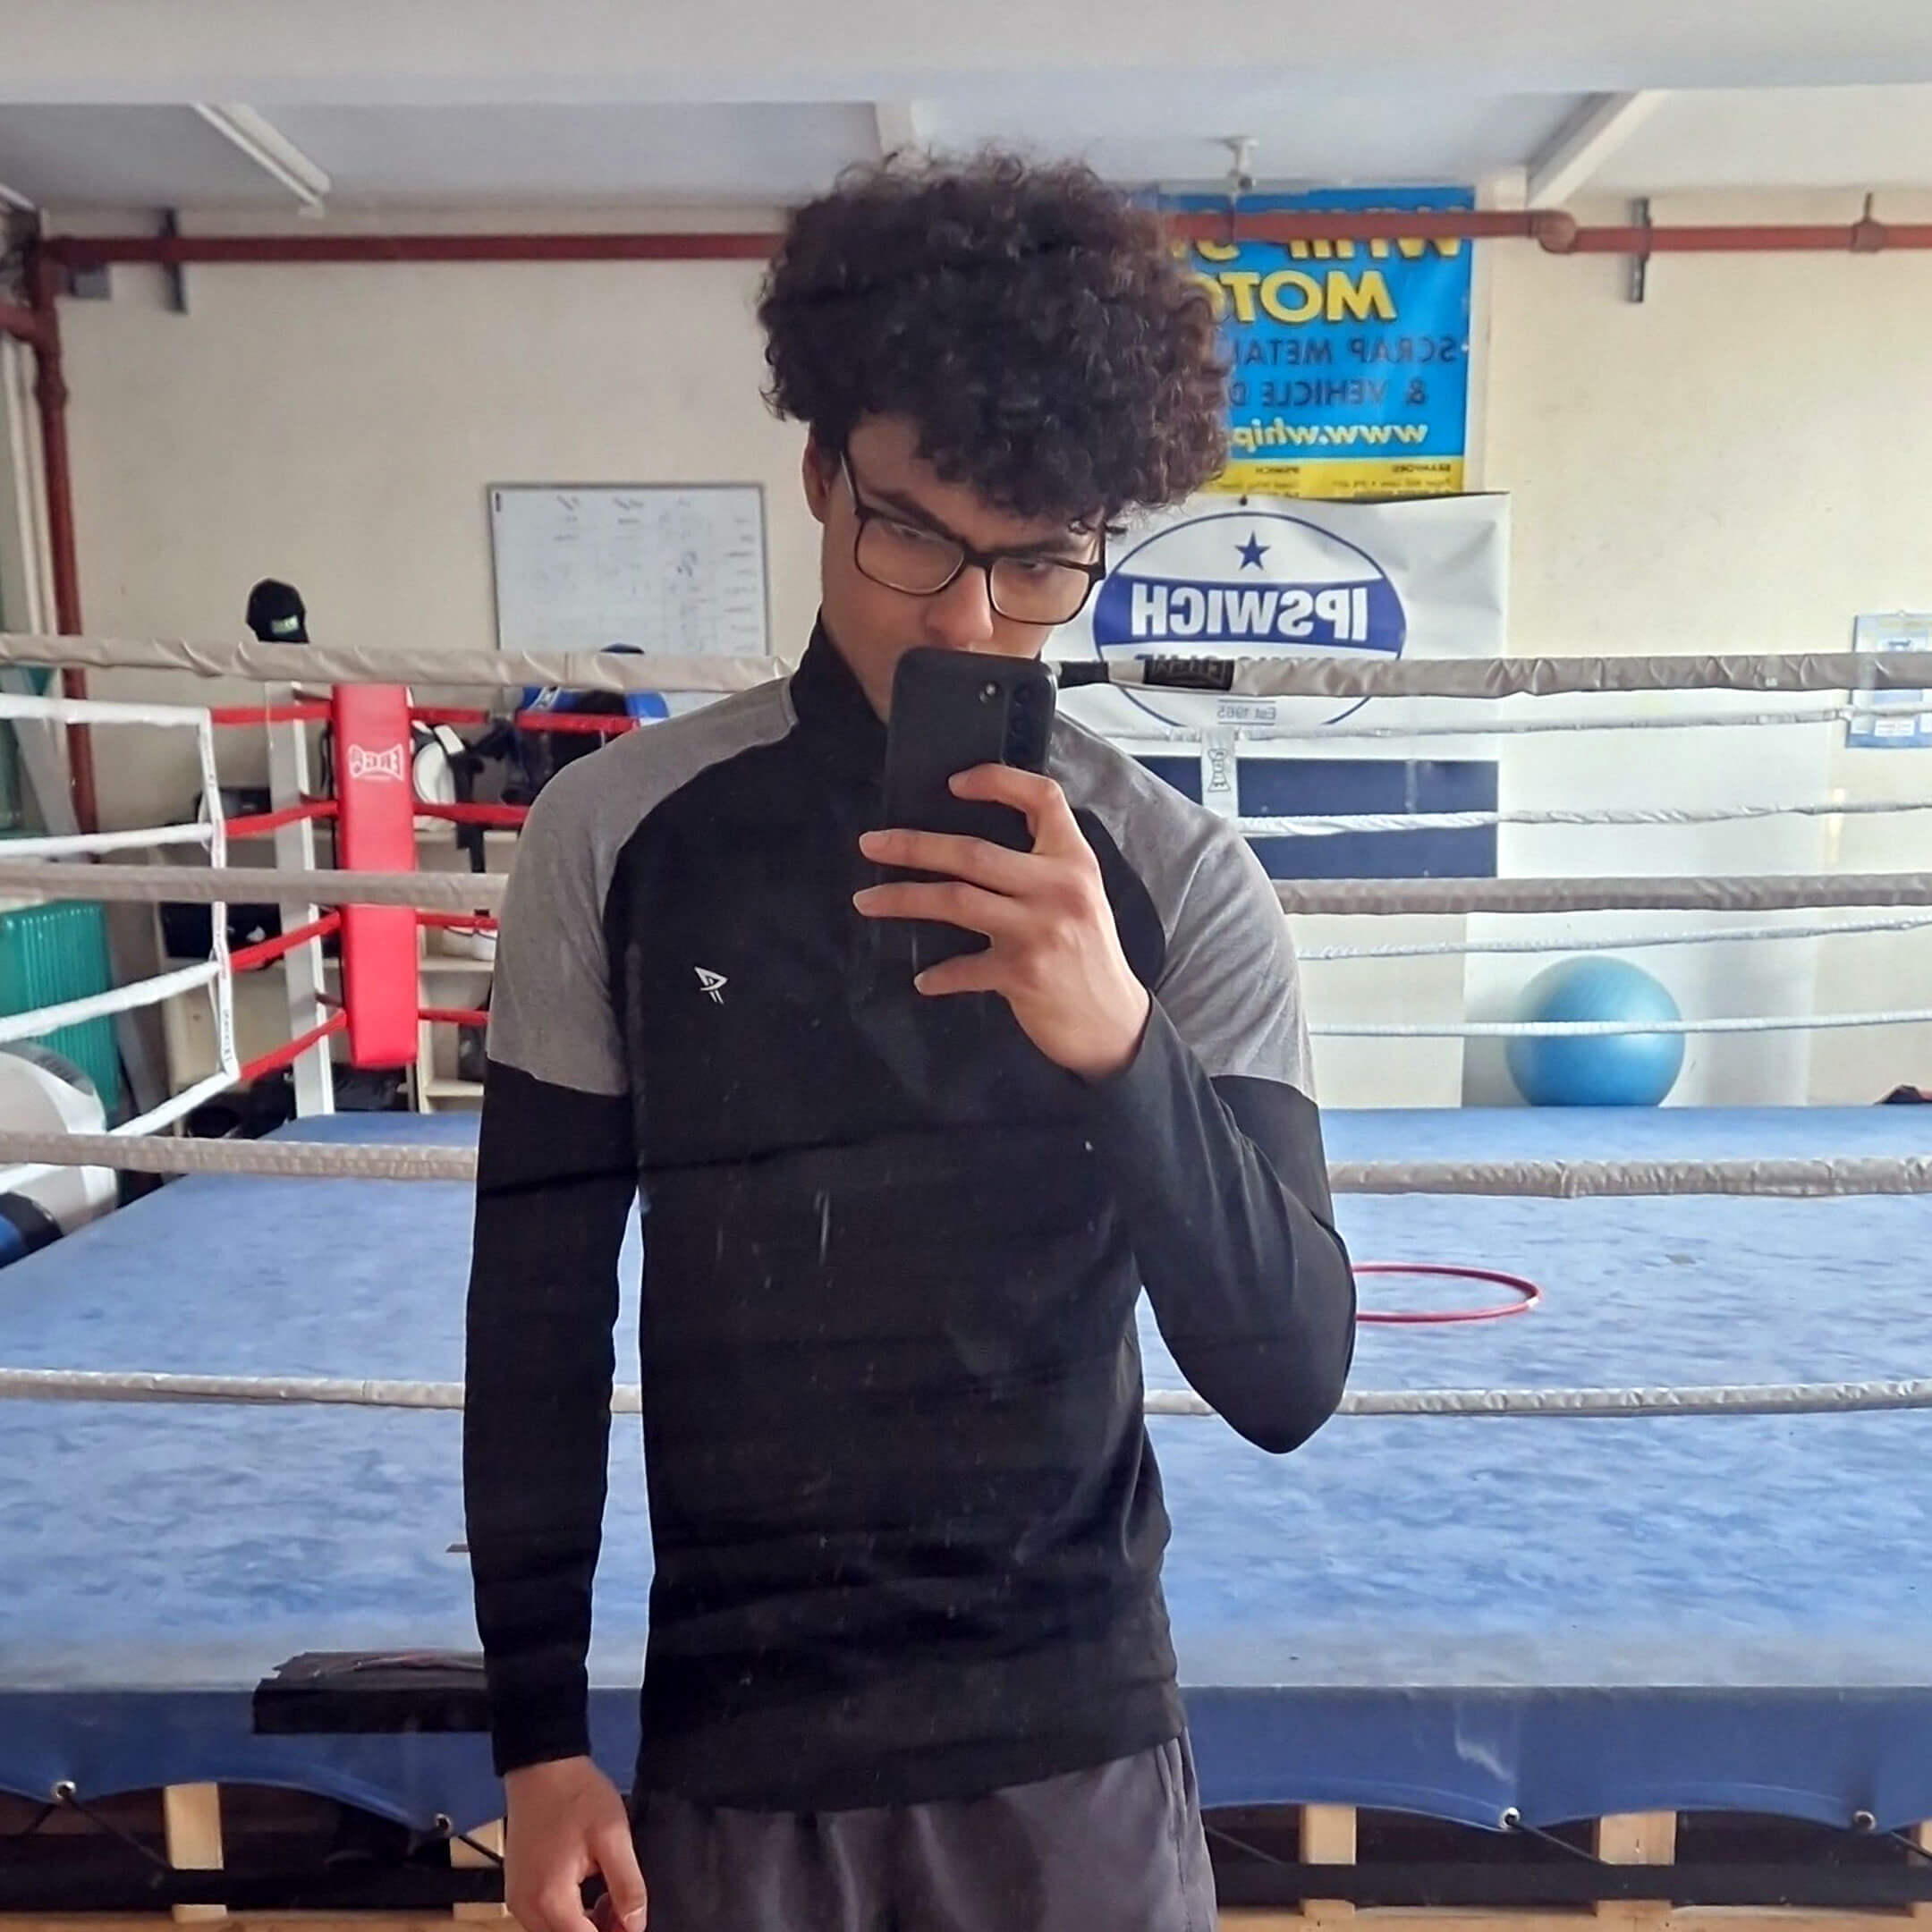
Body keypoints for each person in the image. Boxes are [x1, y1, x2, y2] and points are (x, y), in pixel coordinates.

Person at [465, 152, 1357, 1932]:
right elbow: (539, 1312)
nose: (966, 616)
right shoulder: (618, 835)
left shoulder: (1177, 880)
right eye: (913, 534)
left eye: (1035, 563)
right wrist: (538, 1736)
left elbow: (1288, 1376)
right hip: (743, 1744)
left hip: (1071, 1738)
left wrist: (1120, 1047)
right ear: (821, 473)